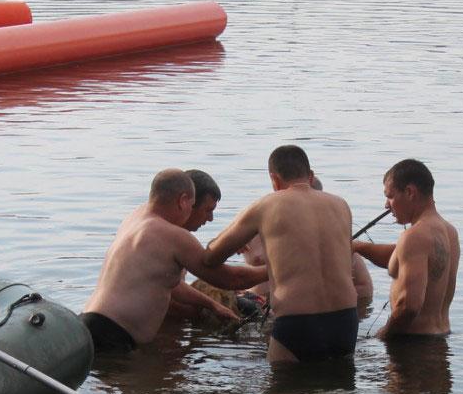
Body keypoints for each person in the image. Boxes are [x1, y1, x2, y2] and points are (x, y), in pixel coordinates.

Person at [80, 168, 267, 352]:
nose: (209, 219)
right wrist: (276, 268)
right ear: (183, 200)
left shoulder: (136, 218)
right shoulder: (172, 236)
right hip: (112, 334)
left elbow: (170, 285)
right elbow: (230, 279)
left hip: (87, 324)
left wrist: (211, 304)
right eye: (196, 205)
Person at [204, 145, 359, 362]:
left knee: (283, 392)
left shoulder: (267, 205)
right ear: (311, 176)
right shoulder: (341, 205)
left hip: (298, 322)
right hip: (346, 320)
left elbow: (211, 257)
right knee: (340, 390)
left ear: (274, 180)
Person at [353, 159, 459, 338]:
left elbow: (409, 307)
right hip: (440, 338)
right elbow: (401, 259)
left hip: (410, 346)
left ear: (410, 192)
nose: (387, 205)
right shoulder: (449, 231)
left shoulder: (415, 236)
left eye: (390, 196)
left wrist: (384, 335)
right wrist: (358, 247)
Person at [241, 174, 374, 305]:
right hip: (257, 305)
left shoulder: (338, 241)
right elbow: (224, 251)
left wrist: (325, 300)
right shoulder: (258, 226)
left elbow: (365, 288)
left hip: (307, 312)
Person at [165, 169, 242, 324]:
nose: (211, 219)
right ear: (187, 203)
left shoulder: (174, 236)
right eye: (208, 210)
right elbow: (169, 297)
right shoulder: (167, 238)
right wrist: (213, 307)